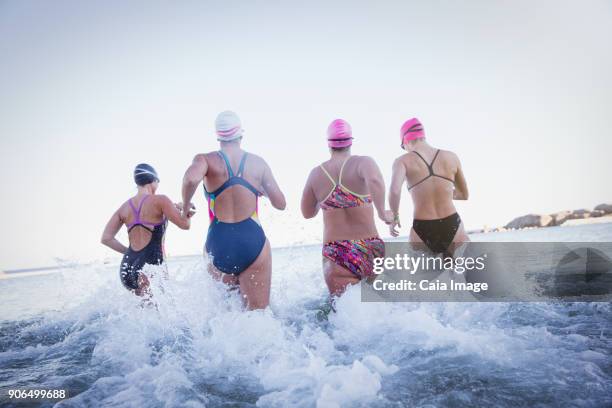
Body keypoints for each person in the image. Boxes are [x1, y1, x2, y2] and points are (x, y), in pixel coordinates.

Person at [181, 111, 286, 310]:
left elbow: (190, 179)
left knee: (226, 317)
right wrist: (260, 188)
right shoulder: (257, 163)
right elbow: (280, 203)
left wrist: (185, 206)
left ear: (218, 136)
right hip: (251, 240)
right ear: (241, 135)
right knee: (258, 316)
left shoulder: (206, 160)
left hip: (219, 242)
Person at [301, 119, 393, 296]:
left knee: (345, 314)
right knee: (375, 305)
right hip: (370, 248)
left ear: (329, 144)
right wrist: (383, 213)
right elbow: (374, 180)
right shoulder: (363, 163)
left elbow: (307, 213)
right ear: (351, 141)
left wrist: (326, 201)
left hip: (337, 253)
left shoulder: (316, 173)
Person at [101, 164, 193, 296]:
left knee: (141, 313)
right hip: (149, 267)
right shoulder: (161, 200)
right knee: (159, 314)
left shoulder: (124, 207)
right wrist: (187, 212)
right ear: (153, 180)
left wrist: (129, 252)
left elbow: (106, 238)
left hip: (127, 267)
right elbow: (185, 225)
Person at [388, 118, 469, 256]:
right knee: (463, 272)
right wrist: (444, 192)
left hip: (422, 227)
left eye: (403, 147)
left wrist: (395, 217)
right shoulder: (451, 157)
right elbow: (464, 195)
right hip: (452, 222)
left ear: (406, 141)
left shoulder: (402, 161)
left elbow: (395, 191)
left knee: (417, 275)